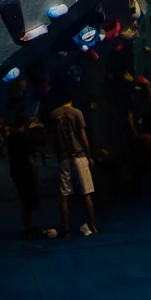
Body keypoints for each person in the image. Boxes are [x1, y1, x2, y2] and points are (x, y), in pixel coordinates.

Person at [50, 96, 98, 237]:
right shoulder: (77, 112)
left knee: (65, 194)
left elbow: (54, 137)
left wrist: (58, 154)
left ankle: (66, 230)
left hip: (64, 156)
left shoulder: (54, 114)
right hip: (79, 155)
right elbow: (83, 136)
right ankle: (93, 226)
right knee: (86, 192)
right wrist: (89, 156)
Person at [6, 115, 41, 237]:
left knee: (25, 200)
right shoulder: (24, 138)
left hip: (15, 170)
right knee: (28, 201)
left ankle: (28, 226)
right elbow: (29, 158)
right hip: (25, 171)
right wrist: (35, 174)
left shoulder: (11, 137)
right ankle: (28, 228)